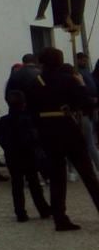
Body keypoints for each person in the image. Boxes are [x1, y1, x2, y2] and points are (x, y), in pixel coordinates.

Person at [26, 47, 99, 231]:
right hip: (66, 127)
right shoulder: (67, 79)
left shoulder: (36, 82)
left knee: (57, 176)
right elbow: (85, 101)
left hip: (47, 131)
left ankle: (60, 217)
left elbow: (32, 110)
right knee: (87, 174)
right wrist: (81, 85)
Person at [0, 90, 51, 223]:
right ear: (24, 104)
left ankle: (20, 212)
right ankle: (43, 209)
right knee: (34, 183)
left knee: (17, 185)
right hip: (28, 154)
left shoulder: (4, 120)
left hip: (12, 155)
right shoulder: (28, 119)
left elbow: (0, 137)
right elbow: (34, 137)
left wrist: (7, 148)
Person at [75, 52, 99, 172]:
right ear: (78, 60)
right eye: (83, 60)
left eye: (86, 60)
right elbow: (81, 91)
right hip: (84, 110)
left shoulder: (87, 72)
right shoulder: (77, 73)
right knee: (89, 141)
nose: (85, 62)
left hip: (91, 108)